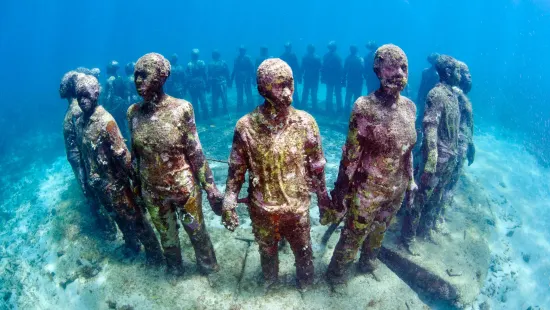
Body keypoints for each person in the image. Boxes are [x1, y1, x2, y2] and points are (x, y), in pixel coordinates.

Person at [221, 58, 331, 291]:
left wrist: (323, 200)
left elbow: (317, 167)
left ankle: (305, 282)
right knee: (267, 249)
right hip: (262, 207)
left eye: (290, 84)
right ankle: (270, 280)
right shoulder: (246, 126)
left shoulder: (305, 122)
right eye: (280, 85)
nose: (288, 92)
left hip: (298, 207)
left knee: (303, 250)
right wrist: (229, 200)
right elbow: (236, 169)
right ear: (262, 87)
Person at [326, 45, 417, 285]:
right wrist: (340, 192)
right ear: (378, 70)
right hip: (368, 190)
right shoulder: (364, 107)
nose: (398, 73)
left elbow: (408, 150)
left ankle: (368, 263)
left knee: (380, 230)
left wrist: (411, 180)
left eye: (403, 67)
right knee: (353, 234)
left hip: (397, 187)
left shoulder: (410, 107)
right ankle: (336, 275)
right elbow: (350, 156)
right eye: (391, 67)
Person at [128, 53, 224, 276]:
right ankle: (175, 268)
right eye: (136, 76)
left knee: (196, 232)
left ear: (161, 77)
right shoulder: (133, 113)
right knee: (166, 236)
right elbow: (136, 156)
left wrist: (210, 188)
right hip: (152, 191)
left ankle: (208, 267)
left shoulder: (181, 109)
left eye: (144, 75)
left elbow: (196, 153)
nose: (138, 81)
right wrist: (136, 189)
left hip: (184, 189)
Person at [74, 74, 163, 262]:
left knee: (136, 218)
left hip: (117, 184)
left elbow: (122, 154)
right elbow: (83, 155)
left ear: (96, 94)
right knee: (118, 218)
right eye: (79, 97)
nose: (82, 101)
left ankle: (154, 253)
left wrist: (136, 181)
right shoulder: (79, 123)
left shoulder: (106, 122)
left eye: (86, 95)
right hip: (99, 185)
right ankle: (131, 245)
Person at [401, 55, 462, 251]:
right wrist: (433, 155)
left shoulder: (452, 96)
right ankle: (408, 237)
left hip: (449, 156)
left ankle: (424, 231)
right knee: (421, 197)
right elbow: (430, 125)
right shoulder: (437, 95)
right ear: (449, 72)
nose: (460, 75)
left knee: (436, 197)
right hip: (437, 158)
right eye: (458, 71)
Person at [59, 71, 116, 239]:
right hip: (78, 158)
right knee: (91, 191)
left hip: (81, 159)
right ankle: (108, 224)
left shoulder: (76, 110)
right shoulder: (75, 109)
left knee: (90, 191)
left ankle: (108, 228)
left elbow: (84, 137)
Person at [438, 61, 475, 227]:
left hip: (461, 147)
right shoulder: (454, 97)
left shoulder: (464, 99)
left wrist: (471, 145)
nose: (468, 77)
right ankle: (437, 215)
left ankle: (441, 212)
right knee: (444, 184)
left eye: (468, 74)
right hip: (451, 149)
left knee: (452, 182)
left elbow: (468, 125)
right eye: (465, 73)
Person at [103, 61, 128, 137]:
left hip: (113, 105)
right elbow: (124, 92)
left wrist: (106, 106)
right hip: (120, 104)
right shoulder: (120, 78)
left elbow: (108, 95)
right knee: (122, 125)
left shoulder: (109, 80)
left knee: (115, 124)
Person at [230, 46, 255, 111]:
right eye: (241, 50)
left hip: (247, 78)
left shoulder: (248, 58)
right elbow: (234, 69)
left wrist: (254, 79)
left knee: (248, 92)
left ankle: (250, 106)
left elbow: (252, 69)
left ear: (245, 51)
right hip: (238, 78)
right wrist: (231, 79)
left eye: (243, 50)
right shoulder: (236, 59)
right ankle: (240, 106)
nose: (242, 51)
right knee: (239, 92)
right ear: (239, 51)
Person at [186, 49, 209, 119]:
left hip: (196, 85)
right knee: (199, 102)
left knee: (201, 102)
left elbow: (204, 74)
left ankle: (202, 116)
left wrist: (207, 84)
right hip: (197, 84)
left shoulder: (191, 64)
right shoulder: (199, 63)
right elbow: (204, 75)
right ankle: (201, 116)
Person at [321, 41, 343, 113]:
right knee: (338, 94)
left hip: (329, 78)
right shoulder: (338, 57)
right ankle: (339, 109)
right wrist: (342, 79)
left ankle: (328, 109)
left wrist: (323, 78)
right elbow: (340, 69)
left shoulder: (325, 56)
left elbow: (323, 68)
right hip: (336, 78)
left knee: (329, 93)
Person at [342, 45, 365, 113]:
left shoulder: (347, 59)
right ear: (356, 51)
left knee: (348, 97)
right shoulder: (360, 59)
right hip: (358, 81)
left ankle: (346, 111)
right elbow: (363, 70)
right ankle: (356, 112)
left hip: (350, 80)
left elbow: (344, 71)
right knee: (357, 97)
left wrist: (343, 81)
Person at [208, 50, 231, 116]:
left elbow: (209, 75)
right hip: (222, 82)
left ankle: (215, 113)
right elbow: (227, 73)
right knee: (224, 98)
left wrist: (208, 85)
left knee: (215, 99)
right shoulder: (223, 63)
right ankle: (225, 111)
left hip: (215, 83)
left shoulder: (210, 64)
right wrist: (229, 81)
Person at [300, 44, 322, 111]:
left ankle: (303, 105)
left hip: (307, 77)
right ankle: (314, 107)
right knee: (314, 93)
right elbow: (320, 68)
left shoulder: (304, 57)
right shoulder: (317, 58)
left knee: (305, 92)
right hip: (315, 78)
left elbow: (302, 68)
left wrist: (300, 76)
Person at [280, 42, 301, 107]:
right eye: (287, 48)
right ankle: (295, 105)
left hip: (289, 76)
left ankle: (289, 105)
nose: (288, 49)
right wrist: (299, 76)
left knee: (291, 91)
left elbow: (296, 66)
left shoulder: (283, 56)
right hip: (289, 76)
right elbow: (297, 66)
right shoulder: (290, 55)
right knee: (292, 91)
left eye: (288, 48)